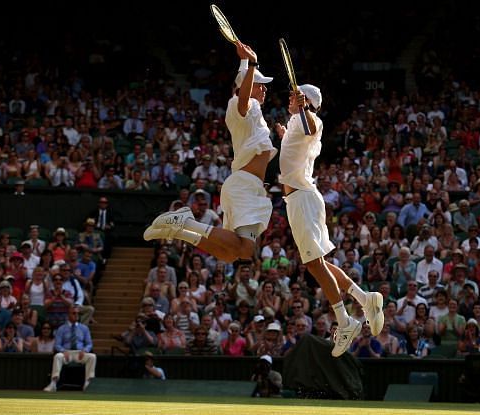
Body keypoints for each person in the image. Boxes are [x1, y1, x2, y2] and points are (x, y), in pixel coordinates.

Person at [273, 84, 383, 357]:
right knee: (317, 263)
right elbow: (299, 140)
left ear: (306, 102)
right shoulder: (296, 124)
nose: (290, 98)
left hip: (303, 200)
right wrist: (285, 135)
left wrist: (304, 109)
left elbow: (310, 125)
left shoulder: (310, 120)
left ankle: (345, 321)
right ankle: (364, 298)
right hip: (301, 199)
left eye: (295, 96)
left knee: (313, 264)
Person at [144, 42, 277, 263]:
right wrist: (252, 64)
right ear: (245, 86)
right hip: (244, 186)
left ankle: (179, 231)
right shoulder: (240, 104)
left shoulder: (255, 113)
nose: (263, 88)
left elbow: (242, 82)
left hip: (251, 189)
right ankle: (185, 222)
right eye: (259, 84)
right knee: (244, 251)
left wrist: (244, 61)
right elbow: (242, 93)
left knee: (230, 254)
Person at [43, 306, 96, 392]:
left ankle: (87, 383)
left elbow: (89, 344)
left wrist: (85, 350)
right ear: (68, 315)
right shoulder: (61, 328)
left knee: (92, 356)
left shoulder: (84, 328)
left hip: (80, 353)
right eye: (74, 313)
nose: (76, 315)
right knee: (58, 356)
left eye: (78, 313)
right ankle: (53, 383)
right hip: (67, 353)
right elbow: (57, 345)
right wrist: (63, 351)